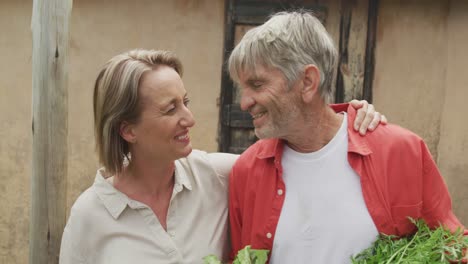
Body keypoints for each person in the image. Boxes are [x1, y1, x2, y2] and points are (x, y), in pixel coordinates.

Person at [59, 49, 384, 264]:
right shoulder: (90, 216)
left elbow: (301, 148)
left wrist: (345, 120)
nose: (189, 118)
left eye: (185, 101)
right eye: (170, 109)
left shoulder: (216, 175)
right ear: (127, 130)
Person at [227, 11, 467, 264]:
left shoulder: (401, 152)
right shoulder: (246, 171)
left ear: (307, 82)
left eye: (257, 85)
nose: (244, 103)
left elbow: (453, 248)